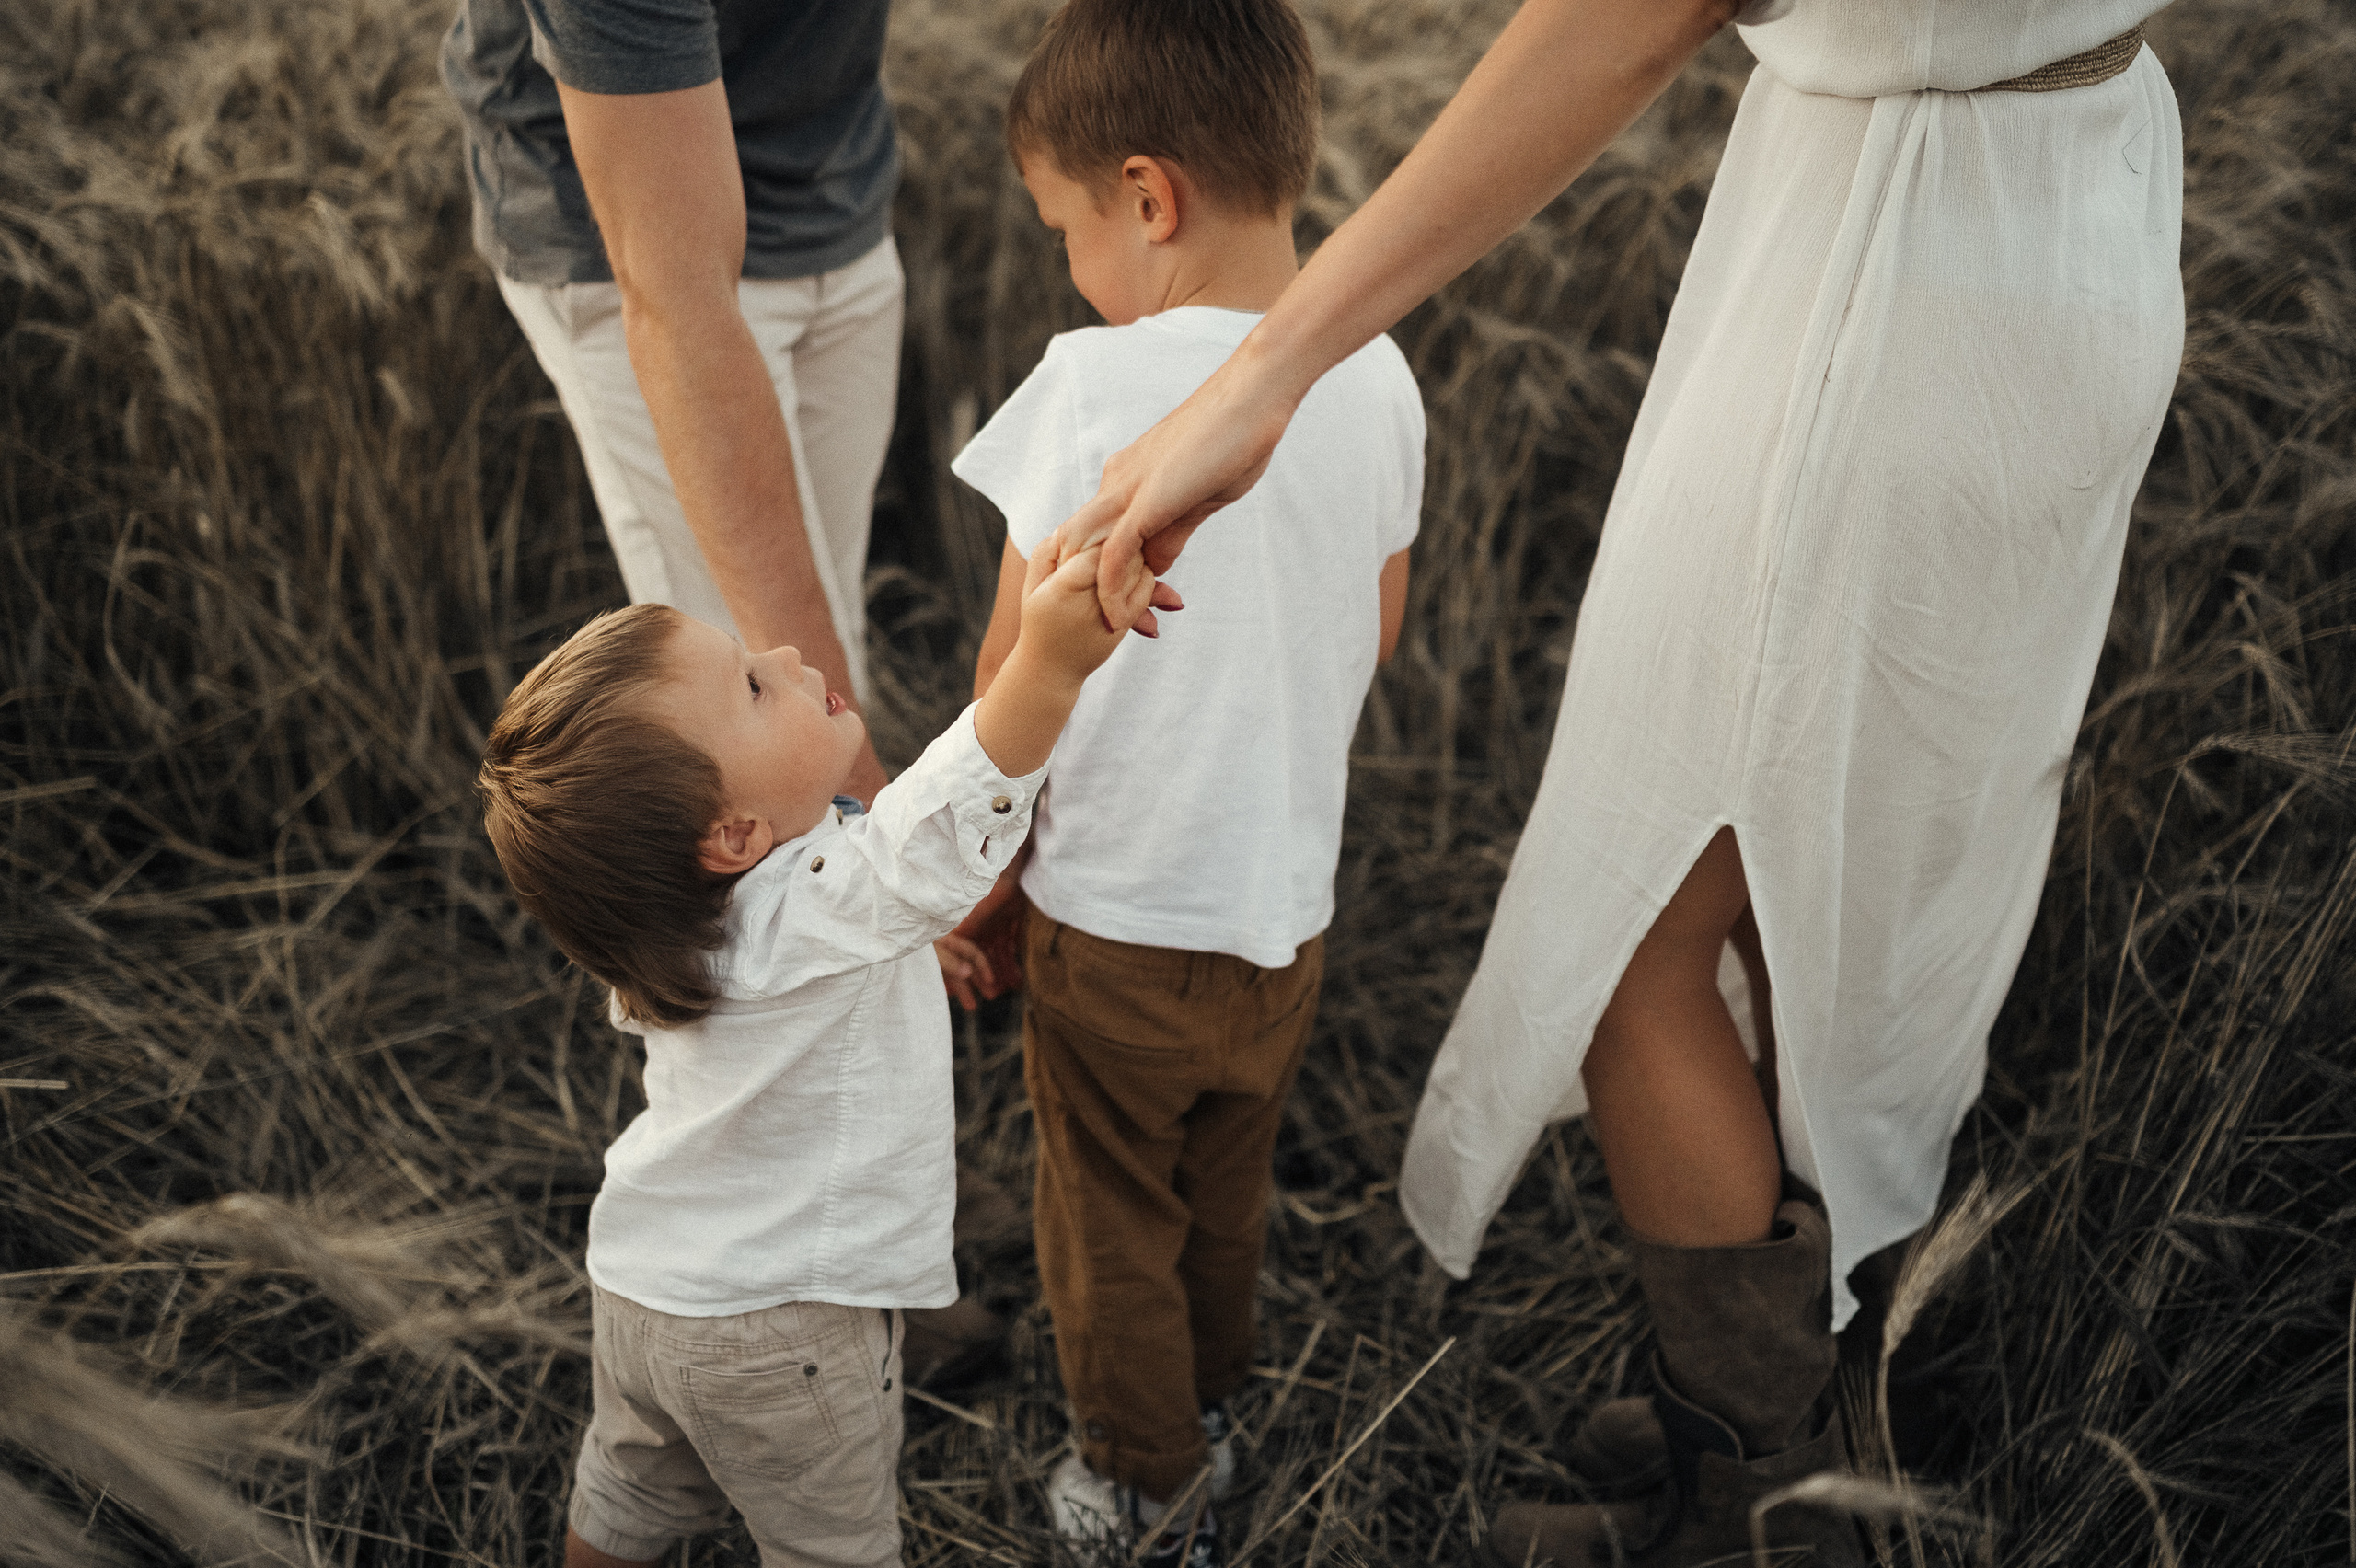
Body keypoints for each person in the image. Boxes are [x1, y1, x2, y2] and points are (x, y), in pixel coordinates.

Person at [1045, 1, 2185, 1562]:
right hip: (2046, 212)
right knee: (1811, 878)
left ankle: (1755, 1500)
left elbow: (1623, 21)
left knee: (1638, 924)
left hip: (1898, 293)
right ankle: (1809, 1408)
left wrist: (1267, 370)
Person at [441, 0, 1011, 1382]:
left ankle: (878, 1177)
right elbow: (678, 293)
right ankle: (790, 1263)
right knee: (741, 768)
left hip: (831, 196)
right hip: (637, 247)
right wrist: (877, 804)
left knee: (803, 682)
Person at [944, 1, 1422, 1561]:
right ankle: (1209, 1402)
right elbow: (1373, 630)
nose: (1069, 266)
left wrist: (982, 877)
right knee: (1224, 1182)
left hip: (1120, 912)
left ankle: (1147, 1487)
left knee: (1108, 1214)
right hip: (1282, 910)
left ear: (1148, 197)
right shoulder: (1378, 374)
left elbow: (1013, 677)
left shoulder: (1092, 386)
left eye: (1065, 228)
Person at [476, 547, 1159, 1568]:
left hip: (645, 1291)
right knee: (832, 1550)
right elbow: (931, 833)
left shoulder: (663, 932)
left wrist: (902, 944)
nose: (788, 656)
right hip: (785, 1327)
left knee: (629, 1488)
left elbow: (823, 929)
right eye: (753, 687)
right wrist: (1048, 664)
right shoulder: (817, 901)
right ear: (733, 834)